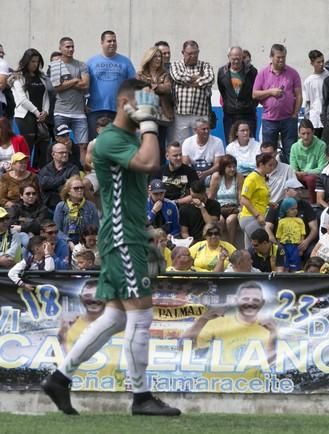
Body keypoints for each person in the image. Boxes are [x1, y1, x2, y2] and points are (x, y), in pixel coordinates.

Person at [41, 78, 181, 416]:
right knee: (141, 314)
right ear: (125, 104)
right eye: (142, 103)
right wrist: (148, 123)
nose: (149, 111)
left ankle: (60, 378)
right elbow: (151, 163)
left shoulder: (123, 139)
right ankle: (140, 396)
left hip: (128, 232)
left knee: (118, 316)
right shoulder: (109, 141)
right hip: (122, 235)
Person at [181, 282, 277, 374]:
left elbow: (272, 364)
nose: (250, 303)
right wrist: (202, 320)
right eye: (245, 299)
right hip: (216, 386)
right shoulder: (216, 322)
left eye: (255, 300)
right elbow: (182, 346)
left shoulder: (269, 327)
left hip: (253, 386)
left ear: (262, 303)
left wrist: (274, 333)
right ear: (236, 300)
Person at [252, 43, 302, 163]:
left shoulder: (293, 73)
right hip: (269, 120)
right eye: (278, 57)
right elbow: (254, 94)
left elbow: (299, 95)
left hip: (289, 119)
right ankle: (269, 177)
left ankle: (291, 177)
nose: (281, 60)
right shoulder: (263, 73)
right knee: (268, 152)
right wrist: (270, 92)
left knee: (290, 151)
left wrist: (295, 113)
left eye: (283, 57)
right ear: (271, 57)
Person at [86, 30, 136, 139]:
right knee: (95, 143)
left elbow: (132, 85)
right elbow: (84, 85)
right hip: (95, 110)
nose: (112, 43)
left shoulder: (125, 62)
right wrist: (83, 104)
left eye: (114, 41)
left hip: (118, 110)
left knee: (116, 142)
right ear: (102, 42)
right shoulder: (91, 62)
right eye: (109, 41)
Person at [48, 37, 89, 166]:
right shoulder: (56, 65)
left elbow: (85, 84)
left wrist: (66, 83)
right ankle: (64, 172)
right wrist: (75, 80)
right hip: (61, 111)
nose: (70, 49)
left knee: (83, 145)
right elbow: (56, 87)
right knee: (63, 145)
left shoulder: (81, 65)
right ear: (60, 48)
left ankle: (83, 172)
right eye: (67, 47)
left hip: (79, 112)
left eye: (72, 46)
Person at [10, 48, 50, 168]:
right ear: (26, 62)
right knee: (27, 149)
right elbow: (22, 99)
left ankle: (40, 175)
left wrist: (46, 111)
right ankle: (25, 172)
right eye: (32, 61)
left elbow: (46, 96)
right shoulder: (18, 77)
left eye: (37, 61)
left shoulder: (42, 77)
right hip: (25, 116)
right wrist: (37, 113)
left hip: (41, 117)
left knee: (43, 148)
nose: (35, 64)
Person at [169, 40, 215, 143]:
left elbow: (210, 79)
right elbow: (178, 77)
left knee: (202, 141)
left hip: (200, 112)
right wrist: (199, 79)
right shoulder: (176, 65)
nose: (193, 56)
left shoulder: (205, 65)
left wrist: (188, 81)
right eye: (190, 53)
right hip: (181, 112)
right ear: (183, 52)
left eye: (195, 53)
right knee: (181, 143)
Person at [265, 178, 318, 259]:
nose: (299, 192)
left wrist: (306, 242)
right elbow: (267, 226)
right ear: (286, 191)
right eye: (296, 189)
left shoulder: (306, 206)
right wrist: (274, 241)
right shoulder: (277, 206)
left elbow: (314, 228)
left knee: (312, 252)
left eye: (300, 189)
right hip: (281, 242)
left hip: (302, 242)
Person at [136, 46, 173, 156]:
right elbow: (139, 90)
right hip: (146, 114)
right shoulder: (140, 74)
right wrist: (155, 88)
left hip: (163, 114)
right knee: (146, 144)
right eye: (155, 56)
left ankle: (159, 172)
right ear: (149, 58)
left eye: (159, 57)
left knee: (161, 146)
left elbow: (167, 88)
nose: (158, 59)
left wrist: (154, 87)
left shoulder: (165, 74)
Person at [217, 46, 258, 138]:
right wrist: (229, 105)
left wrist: (250, 105)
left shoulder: (252, 72)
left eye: (238, 59)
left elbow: (256, 90)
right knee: (231, 144)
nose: (236, 61)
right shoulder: (222, 72)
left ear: (242, 57)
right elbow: (222, 91)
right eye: (233, 59)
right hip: (230, 116)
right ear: (229, 57)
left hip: (248, 115)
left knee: (249, 143)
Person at [53, 175, 100, 253]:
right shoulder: (61, 206)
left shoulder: (91, 206)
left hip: (86, 244)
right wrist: (69, 242)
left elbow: (95, 227)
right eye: (76, 188)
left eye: (82, 188)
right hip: (66, 244)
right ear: (68, 191)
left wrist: (86, 243)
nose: (80, 190)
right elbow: (57, 230)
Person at [239, 153, 274, 247]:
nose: (272, 168)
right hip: (251, 217)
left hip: (256, 216)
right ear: (261, 164)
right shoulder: (252, 178)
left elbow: (256, 198)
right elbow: (244, 199)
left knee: (250, 249)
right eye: (270, 165)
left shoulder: (261, 178)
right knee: (263, 246)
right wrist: (258, 215)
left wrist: (269, 203)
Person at [207, 153, 242, 245]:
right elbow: (211, 196)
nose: (233, 169)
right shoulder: (217, 177)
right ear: (223, 167)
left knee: (230, 220)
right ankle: (220, 245)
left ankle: (231, 245)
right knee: (220, 220)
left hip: (233, 208)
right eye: (229, 167)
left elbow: (240, 195)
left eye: (234, 166)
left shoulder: (238, 176)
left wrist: (242, 208)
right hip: (219, 208)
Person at [289, 119, 328, 202]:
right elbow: (292, 167)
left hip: (314, 175)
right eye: (303, 133)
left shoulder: (321, 145)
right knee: (288, 179)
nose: (306, 137)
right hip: (299, 175)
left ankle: (313, 203)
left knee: (311, 179)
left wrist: (306, 172)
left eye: (308, 133)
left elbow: (322, 168)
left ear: (313, 132)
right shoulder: (294, 147)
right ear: (299, 134)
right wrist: (296, 172)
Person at [154, 141, 198, 207]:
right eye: (175, 155)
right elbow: (151, 192)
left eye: (180, 155)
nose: (179, 158)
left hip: (183, 206)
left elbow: (196, 194)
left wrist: (175, 202)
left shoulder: (190, 172)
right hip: (162, 206)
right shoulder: (159, 171)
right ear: (167, 156)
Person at [38, 142, 80, 210]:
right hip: (48, 205)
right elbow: (43, 184)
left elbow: (72, 185)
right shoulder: (45, 170)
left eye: (66, 152)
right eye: (61, 152)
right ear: (53, 155)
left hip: (67, 204)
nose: (64, 155)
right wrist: (64, 179)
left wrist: (51, 183)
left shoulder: (73, 168)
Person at [181, 117, 224, 183]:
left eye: (208, 129)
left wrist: (205, 173)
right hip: (193, 175)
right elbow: (185, 164)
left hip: (210, 174)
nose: (206, 131)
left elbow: (218, 165)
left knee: (216, 175)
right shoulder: (187, 142)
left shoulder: (218, 142)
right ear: (195, 130)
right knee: (183, 176)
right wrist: (194, 174)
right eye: (203, 129)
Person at [303, 49, 329, 138]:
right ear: (312, 63)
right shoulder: (308, 81)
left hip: (328, 116)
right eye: (318, 62)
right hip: (315, 117)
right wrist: (307, 119)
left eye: (322, 61)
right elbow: (308, 101)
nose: (321, 64)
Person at [276, 197, 305, 271]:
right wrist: (279, 246)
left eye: (296, 208)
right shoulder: (281, 221)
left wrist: (301, 248)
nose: (295, 211)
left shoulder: (300, 221)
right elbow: (279, 235)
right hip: (284, 245)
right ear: (286, 210)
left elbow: (302, 234)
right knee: (284, 262)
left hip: (295, 246)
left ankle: (294, 276)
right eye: (292, 209)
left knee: (295, 262)